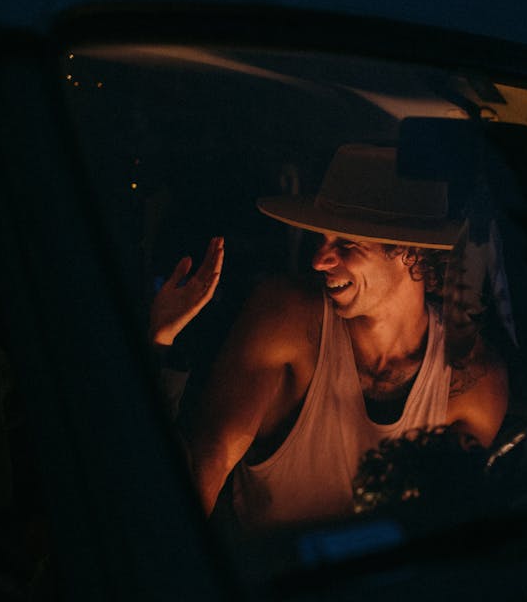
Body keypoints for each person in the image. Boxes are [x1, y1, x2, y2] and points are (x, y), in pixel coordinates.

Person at [151, 144, 508, 529]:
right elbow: (209, 463)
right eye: (321, 239)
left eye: (346, 244)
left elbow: (447, 530)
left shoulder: (471, 379)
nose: (318, 260)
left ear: (412, 253)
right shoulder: (286, 319)